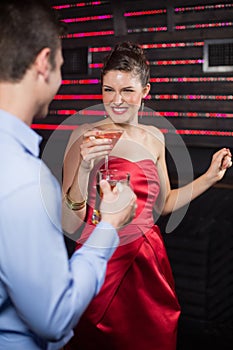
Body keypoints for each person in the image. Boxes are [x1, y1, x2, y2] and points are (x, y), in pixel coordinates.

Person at [62, 41, 232, 350]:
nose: (116, 100)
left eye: (127, 90)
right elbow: (69, 217)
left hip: (149, 263)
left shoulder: (155, 137)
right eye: (108, 90)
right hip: (101, 258)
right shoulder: (83, 135)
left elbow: (162, 204)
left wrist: (209, 177)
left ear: (146, 91)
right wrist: (85, 169)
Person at [0, 2, 137, 350]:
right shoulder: (25, 179)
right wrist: (109, 224)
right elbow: (54, 317)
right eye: (62, 64)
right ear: (44, 63)